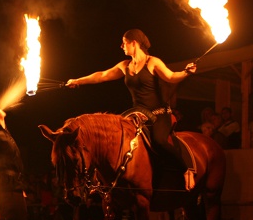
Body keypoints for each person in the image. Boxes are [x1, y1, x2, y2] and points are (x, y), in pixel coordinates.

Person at [66, 29, 197, 190]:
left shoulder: (153, 62)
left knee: (159, 141)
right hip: (137, 114)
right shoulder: (125, 65)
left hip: (159, 114)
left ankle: (186, 170)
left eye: (124, 42)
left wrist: (186, 72)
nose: (121, 46)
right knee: (115, 138)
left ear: (134, 43)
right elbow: (102, 75)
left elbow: (171, 77)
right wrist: (78, 81)